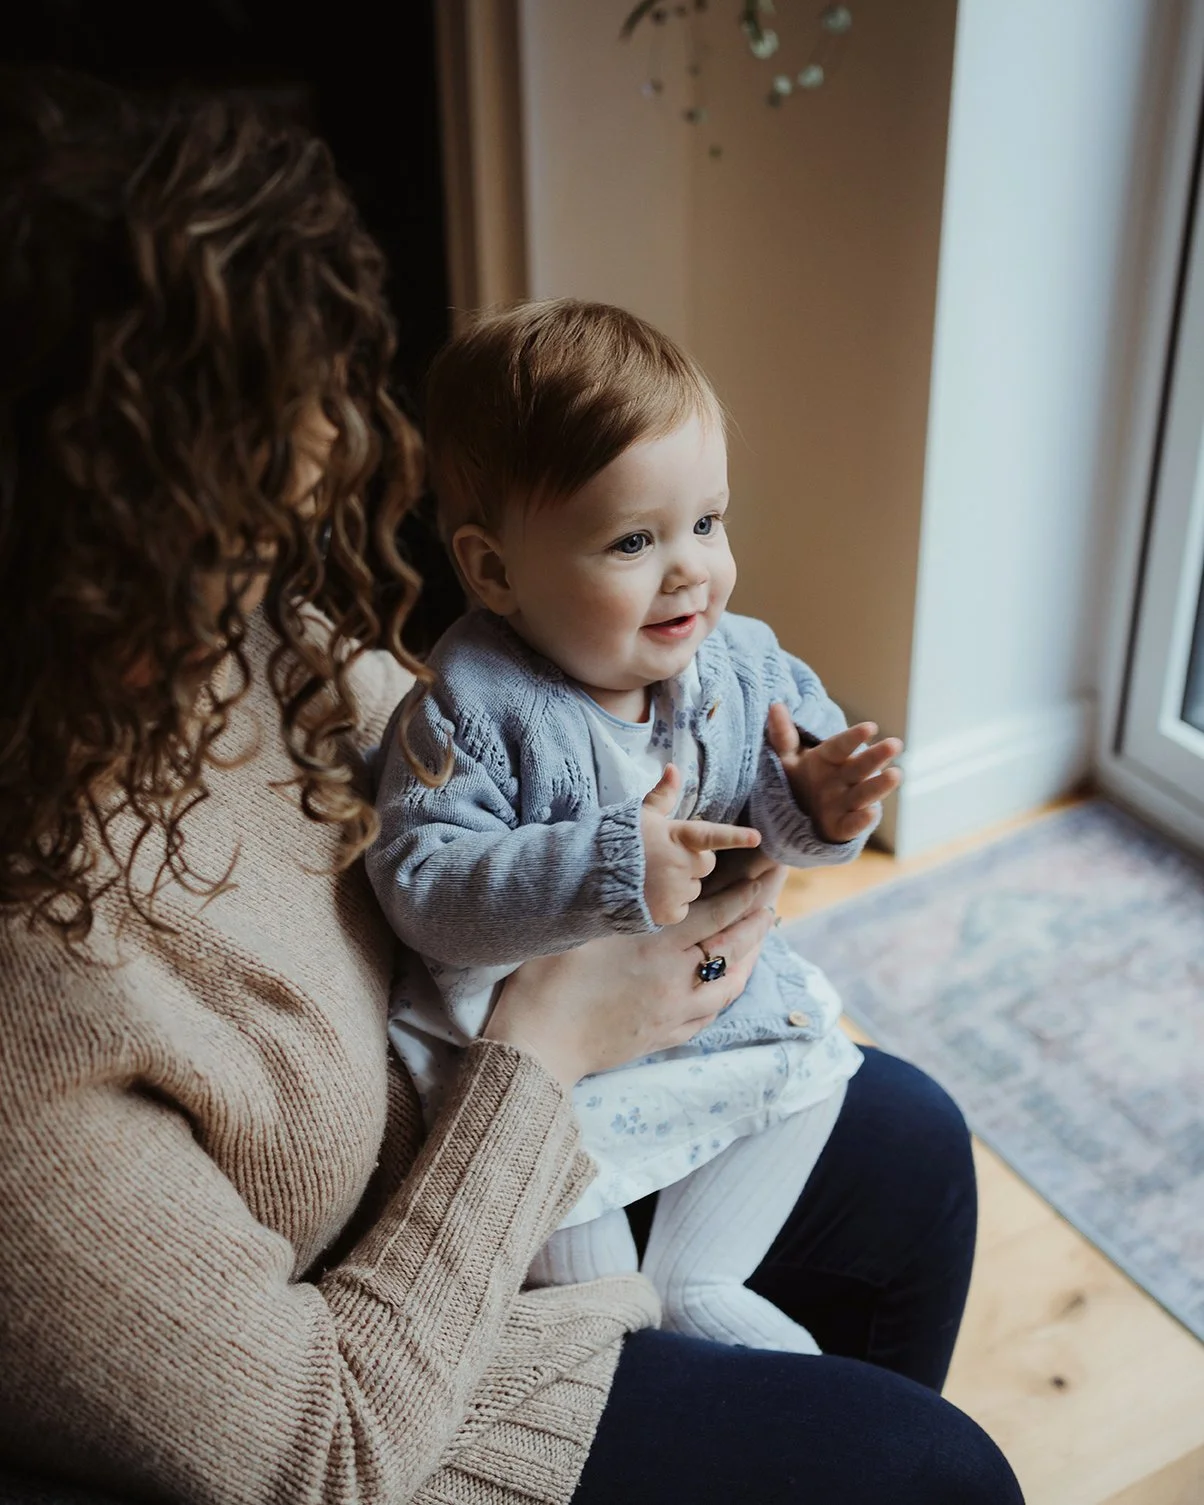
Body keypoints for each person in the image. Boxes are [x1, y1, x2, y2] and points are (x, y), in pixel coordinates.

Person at [0, 68, 1025, 1505]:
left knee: (912, 1143)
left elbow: (486, 737)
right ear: (73, 566)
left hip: (492, 1128)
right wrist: (552, 1044)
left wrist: (803, 810)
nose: (270, 585)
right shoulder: (28, 1044)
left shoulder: (231, 645)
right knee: (927, 1474)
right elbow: (320, 1449)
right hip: (397, 1379)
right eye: (225, 549)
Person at [367, 299, 903, 1356]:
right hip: (546, 1077)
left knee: (817, 1073)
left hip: (715, 1027)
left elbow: (775, 825)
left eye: (708, 522)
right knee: (597, 1317)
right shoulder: (465, 707)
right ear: (495, 570)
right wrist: (607, 863)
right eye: (632, 540)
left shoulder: (739, 660)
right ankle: (664, 1350)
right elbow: (423, 886)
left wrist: (821, 806)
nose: (690, 568)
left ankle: (701, 1280)